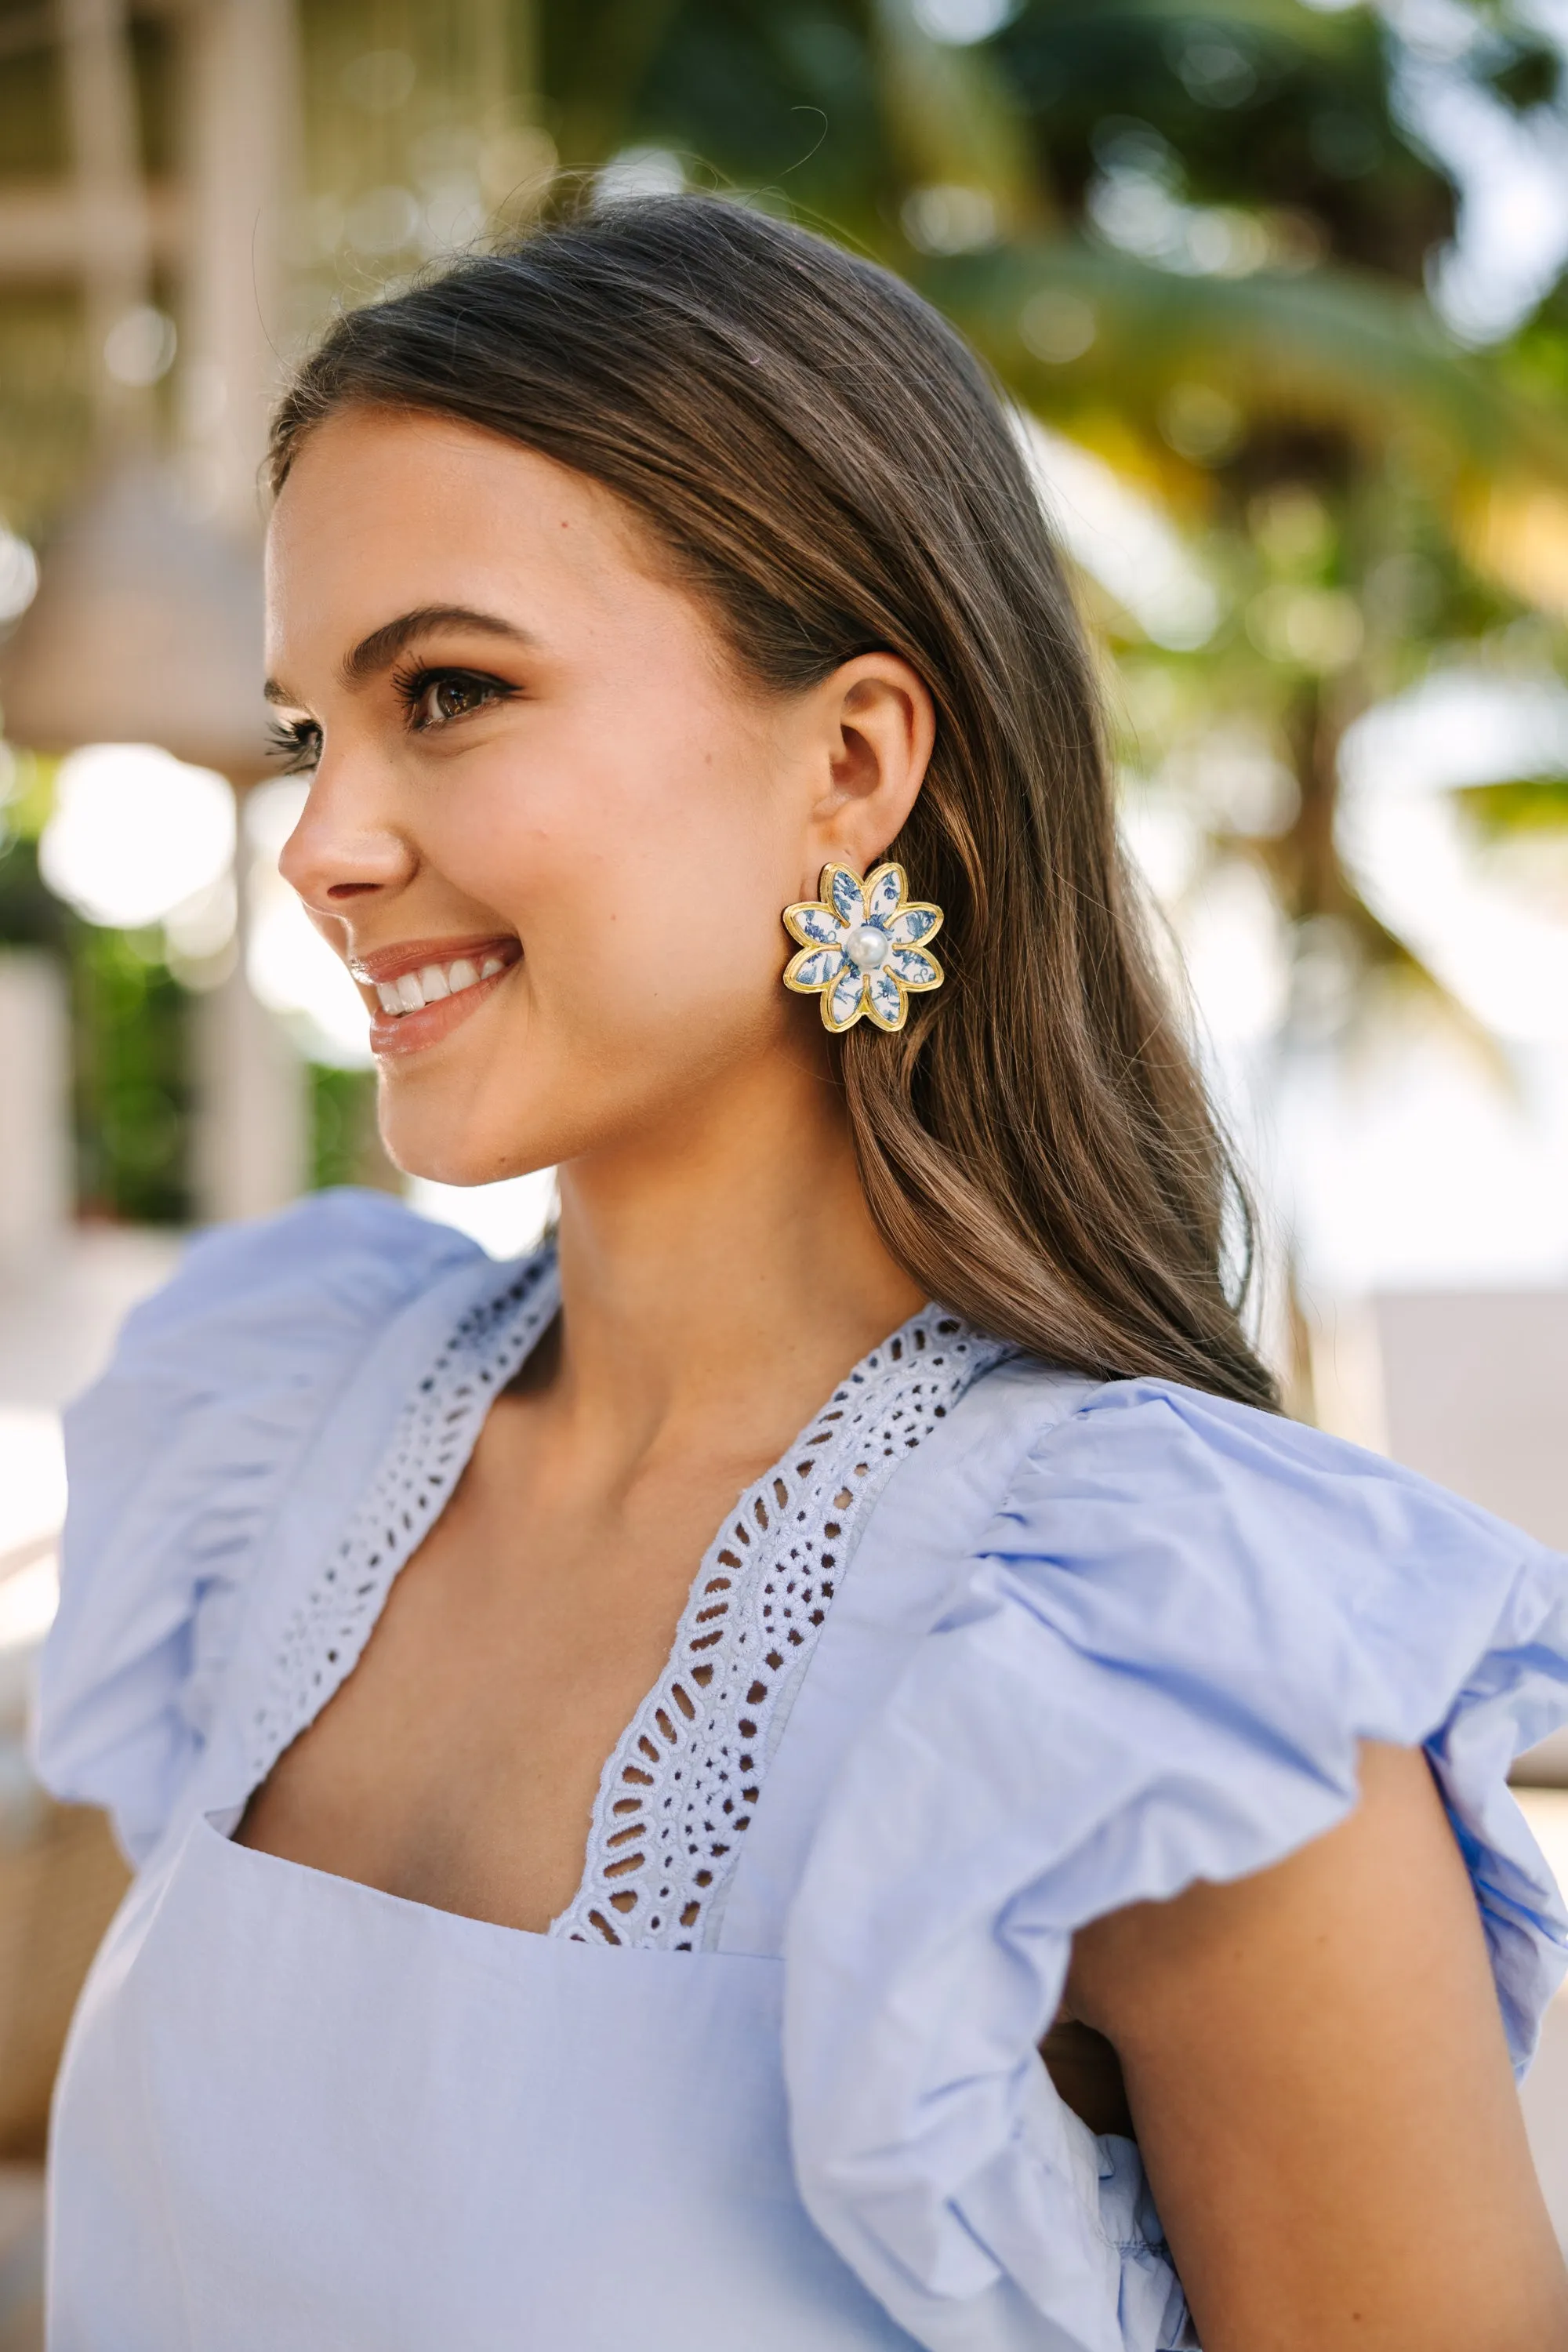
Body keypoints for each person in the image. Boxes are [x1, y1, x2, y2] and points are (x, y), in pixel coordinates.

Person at [34, 195, 1568, 2352]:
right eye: (309, 731)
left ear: (851, 762)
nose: (320, 842)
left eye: (448, 693)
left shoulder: (1174, 1672)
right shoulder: (266, 1445)